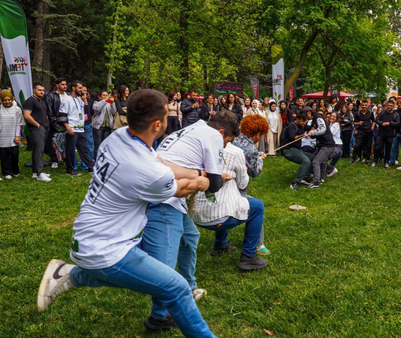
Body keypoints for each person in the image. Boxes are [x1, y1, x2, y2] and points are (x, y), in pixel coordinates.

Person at [37, 89, 216, 337]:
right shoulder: (148, 172)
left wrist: (196, 172)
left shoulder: (120, 136)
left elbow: (160, 163)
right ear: (158, 124)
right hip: (105, 249)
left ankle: (68, 274)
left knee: (151, 275)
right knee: (175, 287)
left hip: (90, 236)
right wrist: (200, 183)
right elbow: (178, 189)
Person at [143, 111, 238, 327]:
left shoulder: (193, 128)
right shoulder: (213, 136)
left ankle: (188, 287)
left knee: (190, 237)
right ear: (222, 132)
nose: (224, 147)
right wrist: (219, 177)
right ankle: (160, 315)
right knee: (164, 261)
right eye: (227, 142)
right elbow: (212, 185)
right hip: (165, 199)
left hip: (169, 195)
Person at [191, 140, 268, 271]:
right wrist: (244, 170)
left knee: (224, 198)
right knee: (258, 207)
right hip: (218, 218)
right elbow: (243, 184)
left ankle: (220, 245)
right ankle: (248, 257)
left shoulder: (196, 146)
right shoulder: (236, 152)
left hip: (195, 214)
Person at [232, 114, 270, 254]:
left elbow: (245, 154)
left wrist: (257, 155)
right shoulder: (252, 150)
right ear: (258, 134)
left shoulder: (235, 139)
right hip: (237, 189)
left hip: (224, 185)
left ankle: (220, 244)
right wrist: (260, 159)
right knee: (256, 208)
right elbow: (254, 172)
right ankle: (258, 245)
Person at [58, 81, 94, 176]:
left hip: (81, 129)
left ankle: (91, 167)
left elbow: (86, 112)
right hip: (72, 128)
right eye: (80, 88)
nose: (82, 90)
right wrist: (68, 128)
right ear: (73, 88)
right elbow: (62, 115)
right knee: (70, 150)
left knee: (84, 149)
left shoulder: (79, 100)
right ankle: (70, 170)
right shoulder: (67, 100)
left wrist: (84, 99)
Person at [23, 83, 52, 182]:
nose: (42, 92)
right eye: (39, 90)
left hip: (43, 127)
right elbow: (26, 115)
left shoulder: (41, 101)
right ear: (33, 90)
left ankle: (36, 172)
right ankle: (40, 173)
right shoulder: (30, 101)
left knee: (38, 149)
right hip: (36, 128)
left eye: (43, 90)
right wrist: (37, 125)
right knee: (39, 150)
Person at [0, 91, 25, 179]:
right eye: (5, 100)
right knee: (4, 155)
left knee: (14, 154)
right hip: (1, 135)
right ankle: (6, 172)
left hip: (13, 135)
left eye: (9, 100)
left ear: (12, 99)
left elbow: (19, 123)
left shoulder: (17, 109)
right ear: (1, 100)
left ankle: (15, 170)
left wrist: (17, 135)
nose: (7, 102)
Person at [282, 111, 314, 190]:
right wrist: (302, 135)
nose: (304, 123)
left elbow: (310, 128)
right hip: (289, 150)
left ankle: (305, 177)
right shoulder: (292, 125)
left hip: (297, 150)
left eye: (305, 121)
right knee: (306, 161)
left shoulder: (302, 125)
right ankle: (295, 183)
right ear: (298, 119)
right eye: (303, 121)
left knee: (313, 157)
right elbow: (292, 137)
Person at [307, 109, 336, 188]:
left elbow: (323, 129)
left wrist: (312, 132)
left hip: (328, 146)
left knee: (316, 162)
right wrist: (310, 133)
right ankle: (314, 177)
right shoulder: (314, 120)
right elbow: (315, 132)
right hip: (322, 145)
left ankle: (316, 182)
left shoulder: (318, 118)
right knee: (315, 160)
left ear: (309, 112)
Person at [44, 77, 68, 169]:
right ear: (57, 85)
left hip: (67, 122)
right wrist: (54, 122)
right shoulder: (51, 96)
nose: (65, 86)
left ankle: (65, 158)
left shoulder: (68, 96)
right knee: (53, 142)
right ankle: (54, 159)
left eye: (65, 84)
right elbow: (49, 110)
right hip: (55, 122)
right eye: (62, 84)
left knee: (65, 141)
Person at [373, 100, 400, 168]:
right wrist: (381, 123)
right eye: (388, 105)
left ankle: (386, 162)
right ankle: (375, 161)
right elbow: (377, 119)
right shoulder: (382, 113)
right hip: (381, 133)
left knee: (388, 149)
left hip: (390, 134)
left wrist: (390, 123)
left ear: (393, 106)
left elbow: (398, 123)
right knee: (378, 147)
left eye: (391, 105)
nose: (389, 107)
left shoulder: (396, 114)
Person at [92, 90, 115, 158]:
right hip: (98, 127)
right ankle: (96, 160)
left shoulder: (109, 104)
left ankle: (104, 160)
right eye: (103, 95)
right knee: (98, 145)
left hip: (108, 127)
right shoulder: (96, 103)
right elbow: (98, 109)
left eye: (106, 95)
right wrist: (104, 100)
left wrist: (113, 103)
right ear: (99, 96)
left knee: (106, 145)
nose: (105, 97)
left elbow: (114, 112)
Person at [351, 101, 374, 165]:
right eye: (363, 105)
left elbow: (374, 121)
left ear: (367, 106)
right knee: (357, 145)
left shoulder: (370, 113)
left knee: (368, 146)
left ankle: (367, 159)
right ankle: (353, 158)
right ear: (361, 106)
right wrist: (358, 123)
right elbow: (354, 123)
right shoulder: (357, 114)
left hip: (368, 131)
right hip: (361, 131)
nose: (364, 106)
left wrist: (372, 126)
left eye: (365, 105)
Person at [389, 98, 401, 166]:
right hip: (395, 132)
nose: (399, 104)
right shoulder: (395, 111)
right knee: (393, 148)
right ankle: (392, 161)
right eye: (398, 103)